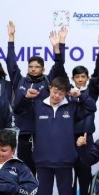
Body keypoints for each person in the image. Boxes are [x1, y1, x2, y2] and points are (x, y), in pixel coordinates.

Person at [17, 76, 95, 195]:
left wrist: (80, 95)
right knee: (44, 190)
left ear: (66, 93)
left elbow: (91, 108)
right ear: (50, 89)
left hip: (65, 157)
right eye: (55, 91)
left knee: (65, 190)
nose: (57, 96)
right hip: (42, 156)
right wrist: (25, 98)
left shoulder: (71, 106)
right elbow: (17, 110)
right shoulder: (37, 104)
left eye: (61, 93)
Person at [6, 21, 68, 173]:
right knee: (26, 171)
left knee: (44, 171)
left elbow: (59, 65)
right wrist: (11, 38)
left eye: (37, 67)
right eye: (31, 67)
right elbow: (11, 63)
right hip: (24, 133)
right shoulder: (19, 80)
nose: (33, 69)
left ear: (43, 69)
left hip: (44, 132)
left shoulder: (48, 81)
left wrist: (59, 46)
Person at [71, 63, 99, 195]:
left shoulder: (91, 92)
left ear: (87, 78)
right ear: (73, 79)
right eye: (77, 77)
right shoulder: (68, 93)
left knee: (84, 177)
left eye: (83, 76)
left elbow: (96, 78)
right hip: (69, 138)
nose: (80, 79)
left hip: (86, 138)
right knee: (70, 177)